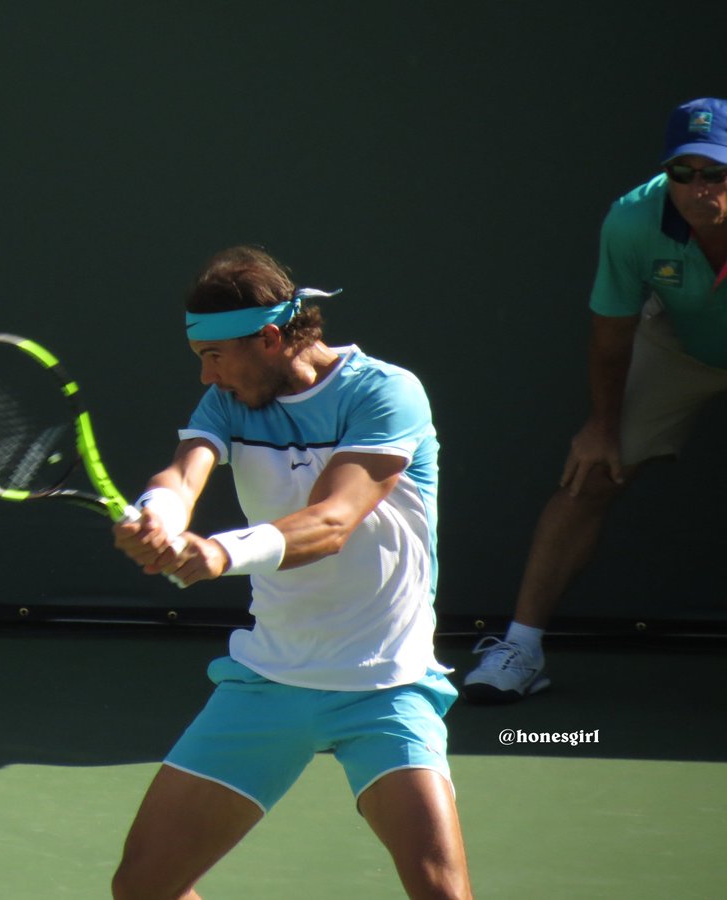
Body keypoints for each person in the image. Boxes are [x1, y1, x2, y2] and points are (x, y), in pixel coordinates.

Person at [110, 246, 471, 900]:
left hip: (385, 683)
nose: (206, 378)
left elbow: (332, 522)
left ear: (271, 338)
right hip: (269, 679)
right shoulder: (230, 404)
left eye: (213, 357)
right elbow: (183, 472)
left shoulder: (386, 393)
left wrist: (219, 553)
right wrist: (157, 513)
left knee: (439, 890)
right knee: (145, 887)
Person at [462, 97, 727, 704]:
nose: (698, 188)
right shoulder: (633, 221)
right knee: (591, 474)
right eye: (683, 173)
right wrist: (602, 425)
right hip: (679, 347)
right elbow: (612, 335)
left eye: (715, 173)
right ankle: (521, 648)